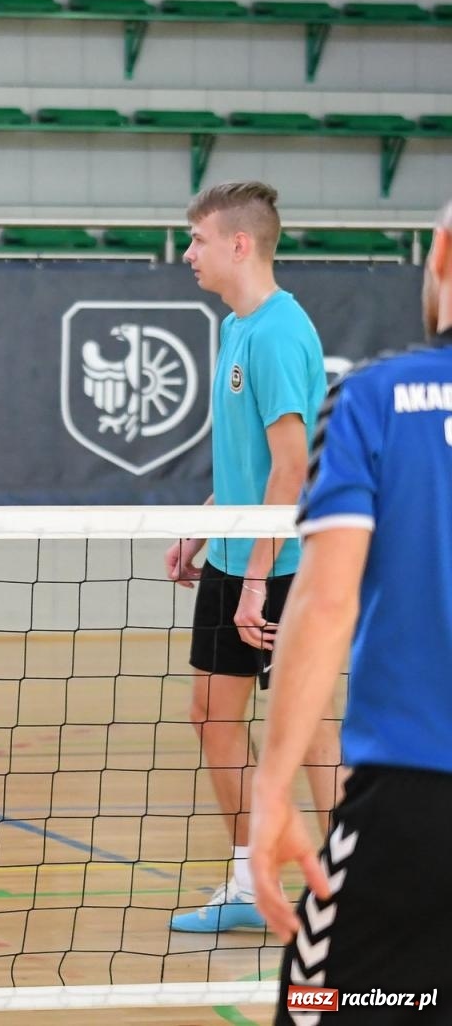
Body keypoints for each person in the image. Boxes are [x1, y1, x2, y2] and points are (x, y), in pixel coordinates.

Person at [251, 202, 452, 1022]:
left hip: (412, 813)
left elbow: (327, 598)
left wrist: (272, 789)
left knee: (333, 1004)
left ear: (441, 252)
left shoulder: (376, 399)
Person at [164, 182, 340, 934]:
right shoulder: (238, 328)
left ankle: (357, 881)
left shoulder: (275, 334)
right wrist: (204, 525)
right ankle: (246, 880)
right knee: (211, 717)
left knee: (306, 732)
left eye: (198, 240)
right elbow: (248, 464)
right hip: (241, 557)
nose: (187, 254)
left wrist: (260, 579)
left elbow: (292, 467)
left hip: (284, 567)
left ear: (240, 244)